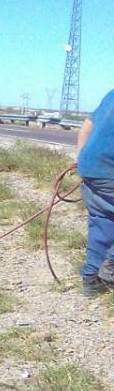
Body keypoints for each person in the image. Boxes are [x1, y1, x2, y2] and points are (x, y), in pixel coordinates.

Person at [77, 88, 114, 297]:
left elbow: (86, 128)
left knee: (103, 220)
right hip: (110, 169)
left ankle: (92, 280)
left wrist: (79, 161)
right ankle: (112, 265)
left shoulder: (111, 94)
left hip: (90, 168)